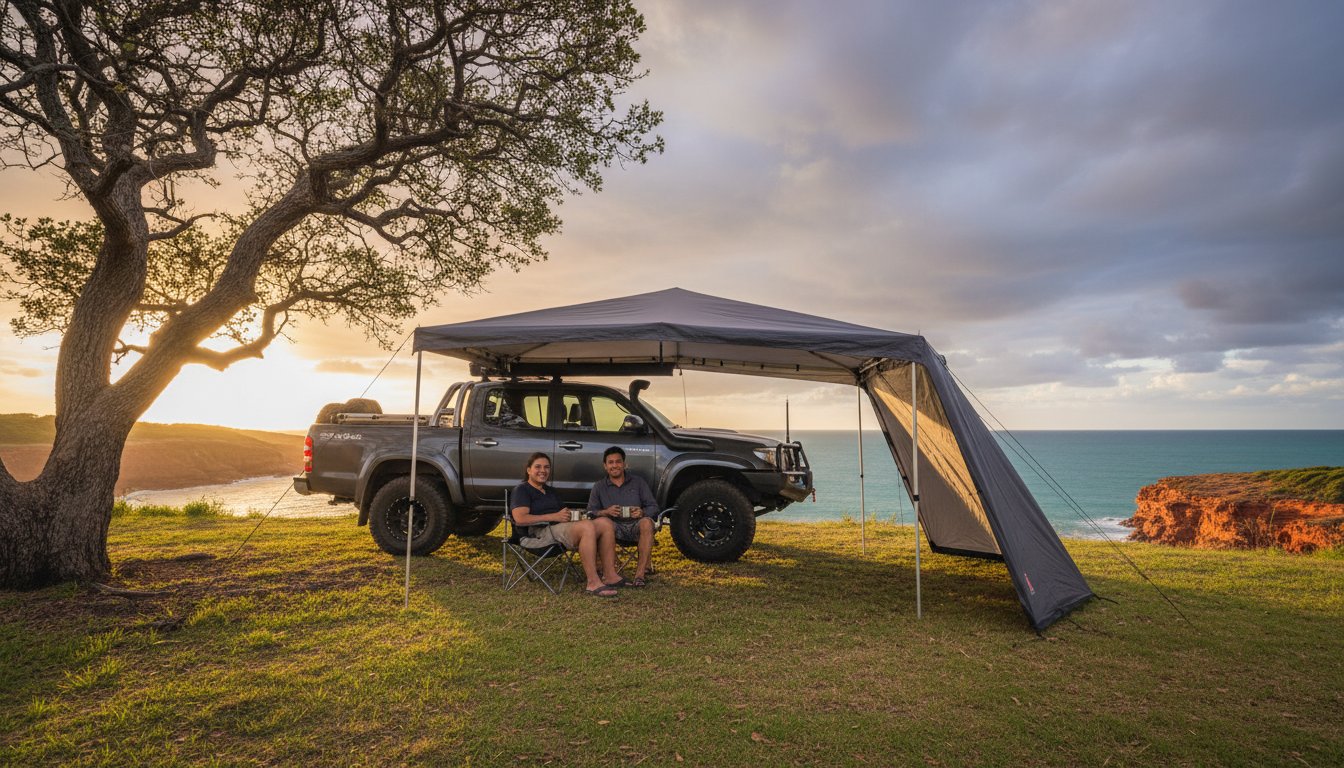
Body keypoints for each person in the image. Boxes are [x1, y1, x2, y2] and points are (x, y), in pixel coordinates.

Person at [511, 452, 624, 597]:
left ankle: (610, 575)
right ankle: (593, 582)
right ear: (528, 470)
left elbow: (562, 515)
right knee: (587, 526)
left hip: (558, 530)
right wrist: (554, 516)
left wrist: (571, 515)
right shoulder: (522, 489)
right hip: (537, 534)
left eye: (546, 467)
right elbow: (520, 519)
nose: (543, 470)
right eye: (537, 467)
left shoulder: (550, 491)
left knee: (605, 522)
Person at [586, 446, 657, 586]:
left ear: (624, 464)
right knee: (603, 522)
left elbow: (654, 507)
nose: (614, 465)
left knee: (647, 523)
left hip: (635, 525)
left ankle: (640, 575)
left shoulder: (638, 482)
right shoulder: (599, 487)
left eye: (618, 462)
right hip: (612, 528)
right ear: (605, 466)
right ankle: (611, 572)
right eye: (610, 462)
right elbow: (590, 512)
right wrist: (605, 512)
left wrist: (642, 512)